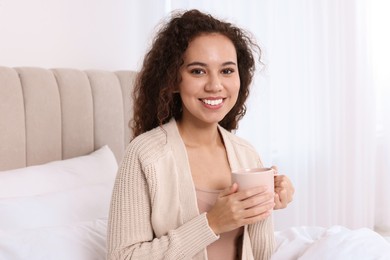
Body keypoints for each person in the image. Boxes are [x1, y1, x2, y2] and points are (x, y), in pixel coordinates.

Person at [107, 9, 294, 260]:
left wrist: (267, 203)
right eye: (198, 71)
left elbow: (260, 254)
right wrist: (212, 223)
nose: (215, 85)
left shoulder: (247, 155)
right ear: (173, 80)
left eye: (227, 71)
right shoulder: (144, 155)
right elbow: (123, 257)